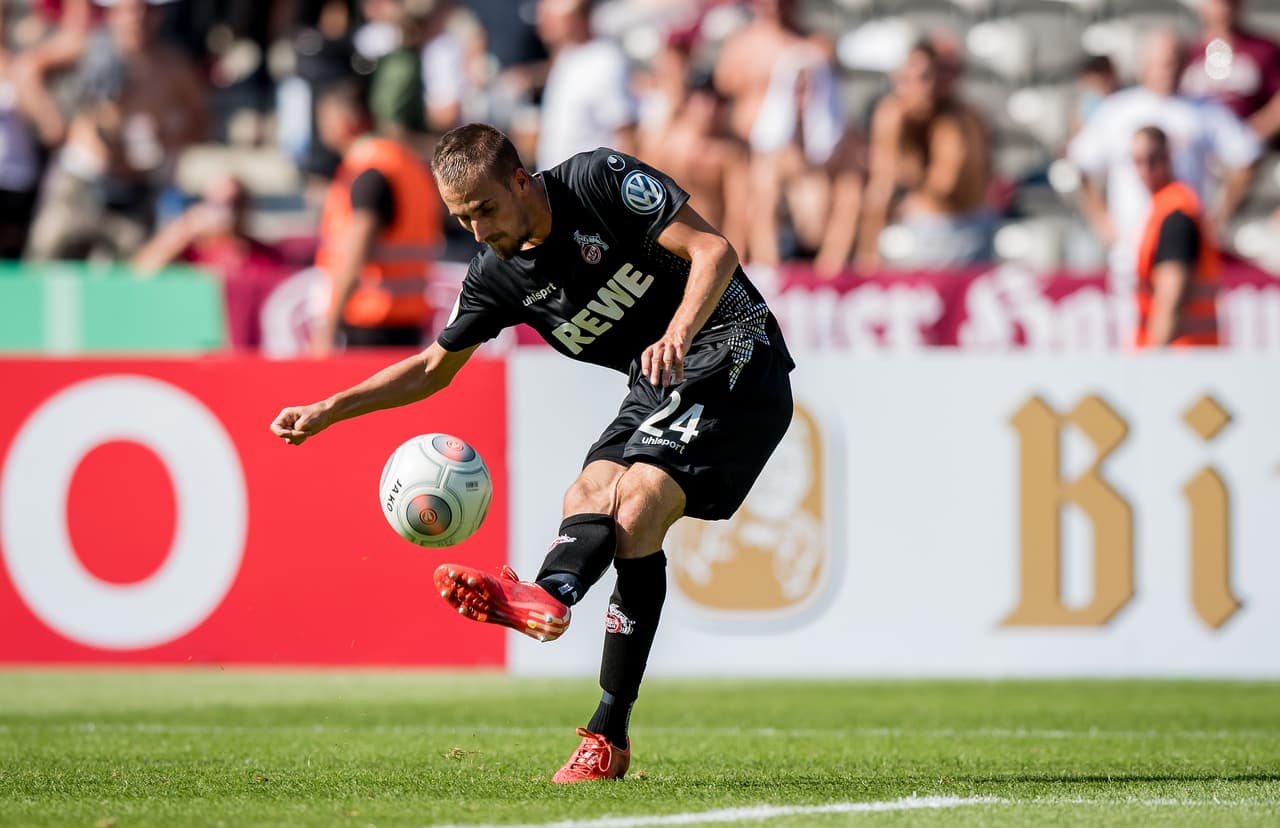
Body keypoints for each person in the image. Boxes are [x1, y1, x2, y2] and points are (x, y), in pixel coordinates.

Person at [270, 122, 795, 782]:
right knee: (588, 495)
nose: (477, 230)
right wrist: (329, 409)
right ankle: (561, 633)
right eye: (462, 219)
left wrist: (678, 332)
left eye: (485, 209)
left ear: (520, 181)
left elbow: (714, 249)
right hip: (657, 381)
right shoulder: (496, 276)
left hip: (734, 346)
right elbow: (432, 369)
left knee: (637, 504)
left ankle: (580, 669)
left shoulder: (598, 182)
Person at [1067, 28, 1261, 291]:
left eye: (1175, 62)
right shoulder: (1117, 111)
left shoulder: (1204, 111)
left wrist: (1220, 215)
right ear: (1144, 64)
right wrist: (1101, 220)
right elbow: (1080, 163)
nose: (1168, 71)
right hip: (1131, 247)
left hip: (1186, 244)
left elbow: (1246, 155)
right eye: (1163, 63)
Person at [310, 77, 443, 355]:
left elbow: (356, 252)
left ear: (343, 120)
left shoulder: (369, 172)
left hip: (371, 321)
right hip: (407, 317)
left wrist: (329, 326)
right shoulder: (405, 163)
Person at [857, 40, 993, 270]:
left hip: (962, 230)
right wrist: (868, 257)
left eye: (928, 76)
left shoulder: (959, 120)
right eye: (911, 78)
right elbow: (881, 186)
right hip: (926, 230)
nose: (925, 87)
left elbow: (947, 184)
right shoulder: (892, 115)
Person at [131, 175, 294, 349]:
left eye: (235, 203)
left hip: (252, 351)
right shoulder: (193, 254)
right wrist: (185, 227)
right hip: (202, 348)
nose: (228, 211)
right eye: (218, 203)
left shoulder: (264, 255)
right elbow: (141, 272)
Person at [1130, 126, 1220, 348]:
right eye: (1139, 162)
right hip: (1191, 352)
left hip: (1183, 354)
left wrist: (1152, 358)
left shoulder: (1175, 213)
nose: (1146, 169)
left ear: (1168, 157)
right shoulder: (1163, 208)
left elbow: (1170, 299)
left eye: (1154, 159)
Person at [1181, 0, 1280, 143]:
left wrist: (1251, 135)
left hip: (1253, 146)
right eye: (1218, 4)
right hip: (1199, 145)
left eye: (1230, 4)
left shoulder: (1264, 49)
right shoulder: (1187, 53)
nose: (1224, 10)